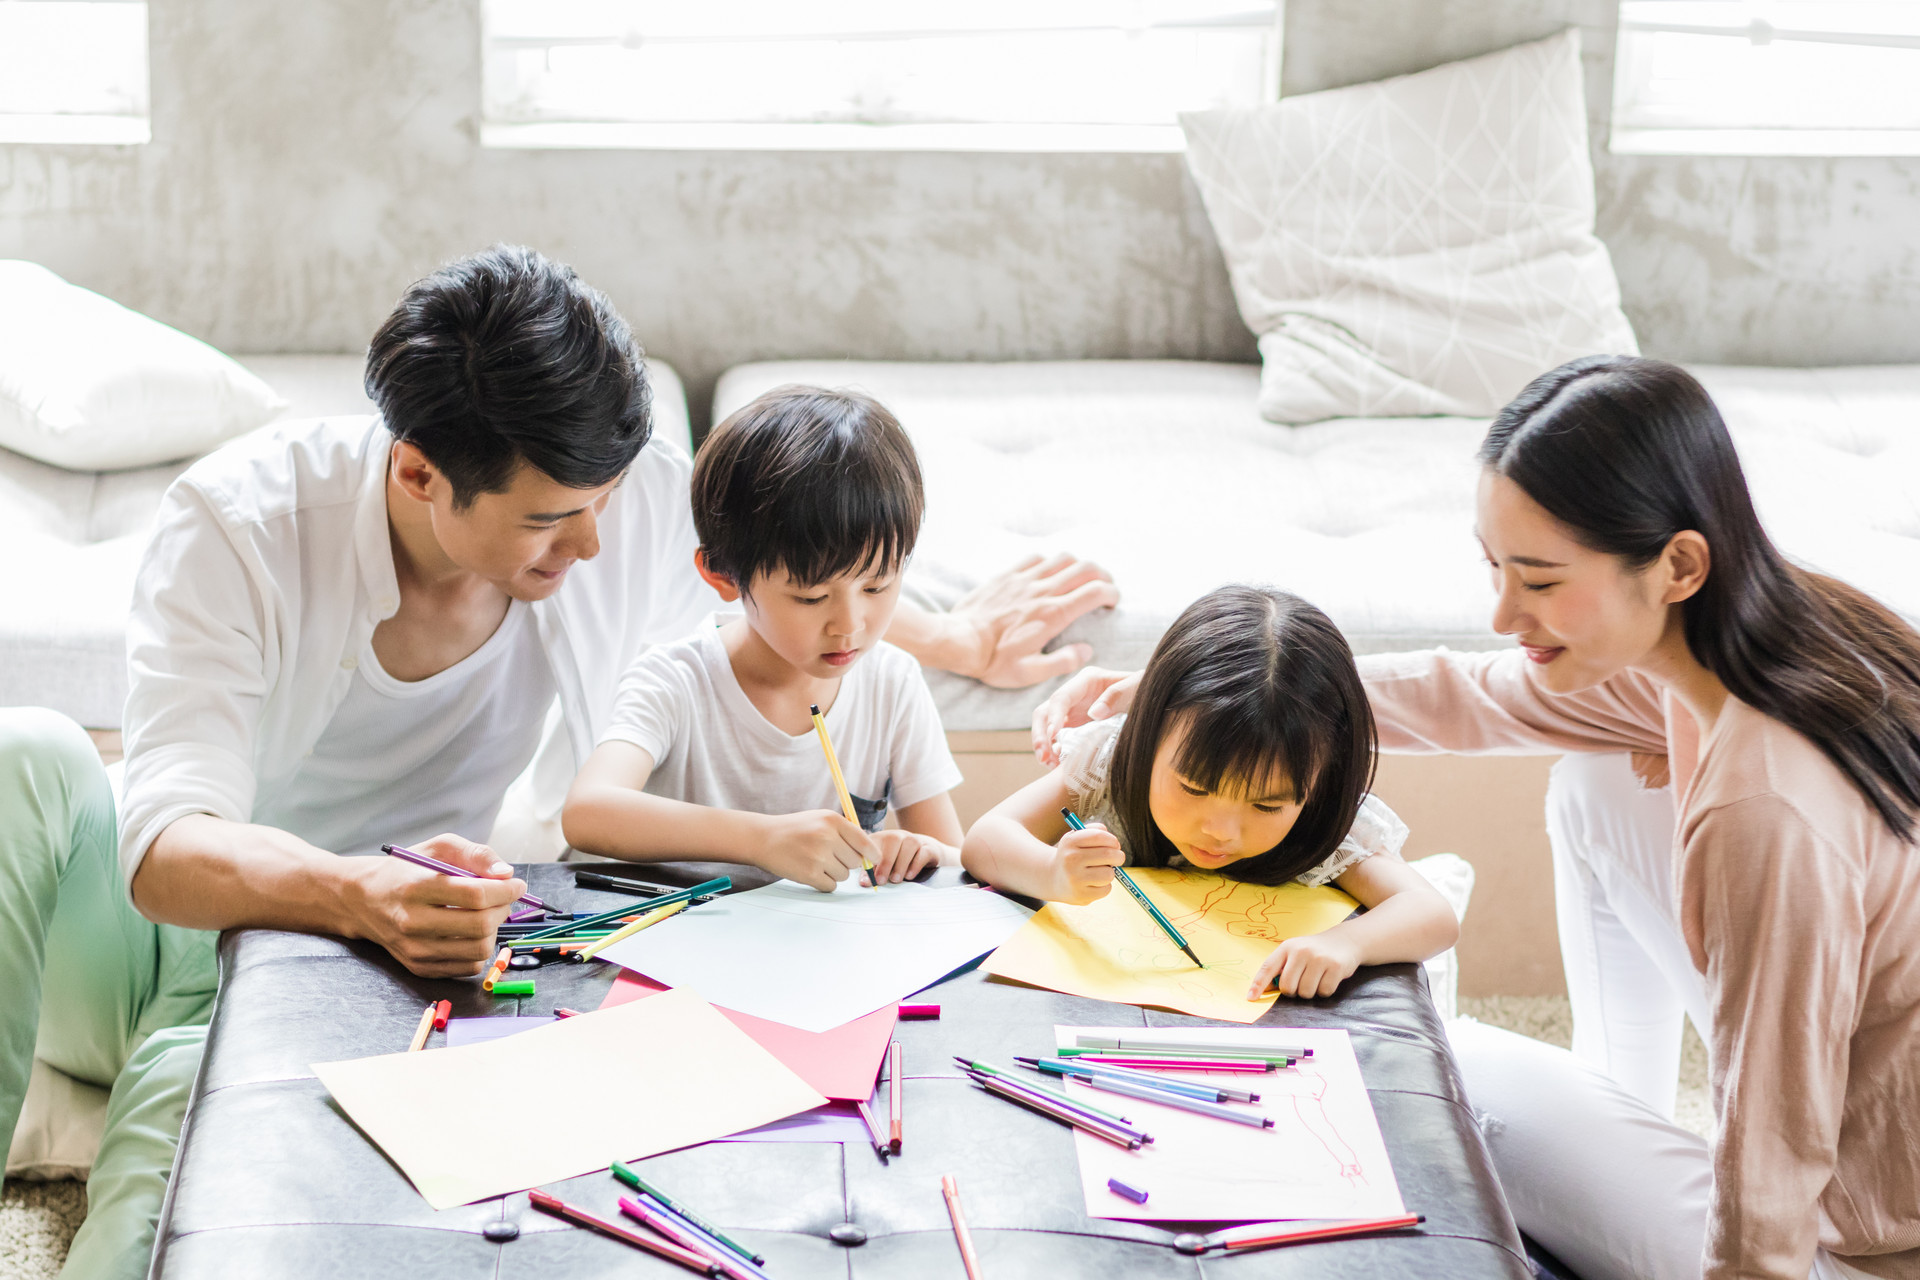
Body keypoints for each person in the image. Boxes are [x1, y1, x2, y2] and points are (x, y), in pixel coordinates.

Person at [0, 245, 1117, 1279]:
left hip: (357, 967)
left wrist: (948, 638)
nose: (590, 545)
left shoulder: (605, 494)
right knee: (24, 755)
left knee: (171, 1169)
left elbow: (783, 580)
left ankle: (167, 1072)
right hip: (147, 929)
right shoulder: (240, 526)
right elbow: (162, 852)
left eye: (605, 506)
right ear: (420, 472)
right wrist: (357, 890)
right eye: (551, 520)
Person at [1031, 356, 1920, 1280]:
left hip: (1860, 1246)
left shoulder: (1769, 808)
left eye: (1538, 581)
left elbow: (1775, 1137)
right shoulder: (1773, 635)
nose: (1504, 612)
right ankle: (1631, 1110)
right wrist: (1200, 700)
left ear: (1678, 565)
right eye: (1496, 567)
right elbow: (1471, 695)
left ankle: (1629, 1177)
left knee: (1430, 1074)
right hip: (1863, 1133)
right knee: (1597, 785)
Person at [965, 585, 1457, 999]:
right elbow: (985, 839)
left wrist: (1348, 943)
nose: (1219, 830)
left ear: (1318, 783)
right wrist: (1051, 872)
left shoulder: (1321, 824)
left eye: (1266, 805)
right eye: (1194, 787)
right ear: (1147, 737)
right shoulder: (1109, 765)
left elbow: (1433, 914)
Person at [562, 385, 963, 888]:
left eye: (878, 585)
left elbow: (956, 859)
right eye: (812, 598)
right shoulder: (675, 682)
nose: (850, 624)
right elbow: (588, 811)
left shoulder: (893, 683)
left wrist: (920, 852)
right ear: (723, 576)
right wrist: (763, 841)